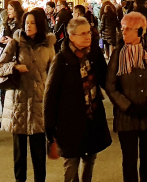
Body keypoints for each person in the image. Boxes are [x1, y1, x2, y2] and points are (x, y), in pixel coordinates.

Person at [45, 16, 112, 182]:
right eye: (82, 33)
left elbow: (106, 81)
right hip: (69, 122)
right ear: (72, 36)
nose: (88, 36)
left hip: (92, 117)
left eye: (88, 32)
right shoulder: (61, 60)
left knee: (90, 158)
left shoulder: (94, 54)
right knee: (72, 161)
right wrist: (50, 128)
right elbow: (50, 95)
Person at [106, 11, 147, 182]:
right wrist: (127, 106)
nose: (123, 32)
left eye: (128, 29)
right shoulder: (118, 53)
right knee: (129, 160)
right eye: (123, 29)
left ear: (140, 31)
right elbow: (111, 86)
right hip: (126, 118)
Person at [0, 8, 55, 182]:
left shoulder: (48, 45)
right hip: (18, 103)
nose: (29, 26)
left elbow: (53, 71)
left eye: (33, 22)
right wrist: (14, 66)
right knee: (19, 154)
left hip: (39, 102)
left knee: (39, 153)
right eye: (27, 22)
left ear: (40, 25)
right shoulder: (15, 42)